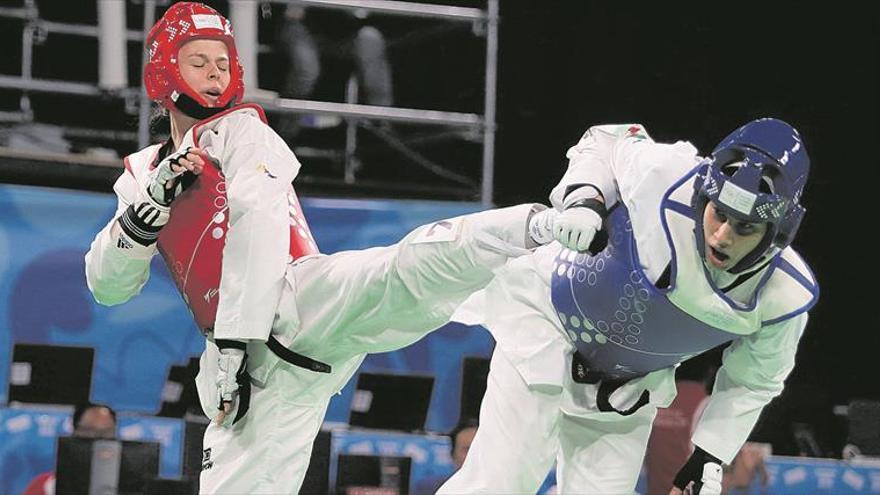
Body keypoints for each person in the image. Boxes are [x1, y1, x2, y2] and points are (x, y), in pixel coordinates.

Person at [84, 3, 555, 494]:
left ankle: (535, 228)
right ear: (165, 69)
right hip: (258, 379)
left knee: (401, 270)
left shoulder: (245, 131)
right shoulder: (140, 175)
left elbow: (258, 222)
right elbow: (107, 286)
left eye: (222, 63)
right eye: (198, 61)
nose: (214, 73)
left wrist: (232, 341)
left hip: (297, 301)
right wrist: (147, 211)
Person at [439, 119, 818, 495]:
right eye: (719, 214)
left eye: (745, 228)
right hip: (548, 325)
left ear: (777, 231)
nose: (722, 236)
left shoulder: (785, 296)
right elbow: (606, 139)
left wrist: (708, 455)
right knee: (499, 485)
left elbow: (754, 381)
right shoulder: (665, 175)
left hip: (626, 389)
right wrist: (585, 199)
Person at [274, 5, 393, 139]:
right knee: (306, 66)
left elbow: (363, 13)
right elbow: (292, 13)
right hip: (303, 28)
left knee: (371, 38)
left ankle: (381, 123)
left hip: (343, 31)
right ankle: (286, 128)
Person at [21, 403, 117, 495]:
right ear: (75, 433)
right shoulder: (46, 486)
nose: (98, 438)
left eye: (106, 432)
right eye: (89, 430)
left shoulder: (125, 486)